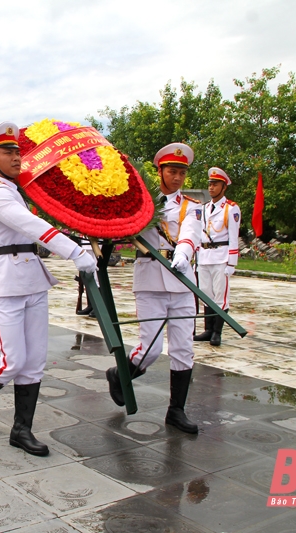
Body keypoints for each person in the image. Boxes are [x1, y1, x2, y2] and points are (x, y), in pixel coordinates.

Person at [0, 122, 98, 457]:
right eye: (7, 152)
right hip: (6, 283)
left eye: (16, 151)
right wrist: (75, 251)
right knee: (12, 360)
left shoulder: (15, 192)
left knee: (34, 360)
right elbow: (32, 226)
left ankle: (21, 430)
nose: (15, 157)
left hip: (31, 281)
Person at [105, 142, 203, 434]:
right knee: (150, 348)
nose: (176, 178)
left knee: (183, 349)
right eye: (172, 171)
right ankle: (119, 374)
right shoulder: (143, 202)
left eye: (181, 173)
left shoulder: (191, 207)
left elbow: (190, 232)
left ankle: (176, 411)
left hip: (182, 282)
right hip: (150, 281)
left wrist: (184, 254)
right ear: (159, 171)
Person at [194, 167, 241, 346]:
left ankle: (216, 332)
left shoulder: (231, 209)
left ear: (224, 187)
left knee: (220, 296)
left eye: (215, 184)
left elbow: (233, 237)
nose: (211, 188)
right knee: (206, 294)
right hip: (204, 256)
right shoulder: (204, 208)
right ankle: (207, 329)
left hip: (221, 256)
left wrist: (232, 263)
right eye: (210, 184)